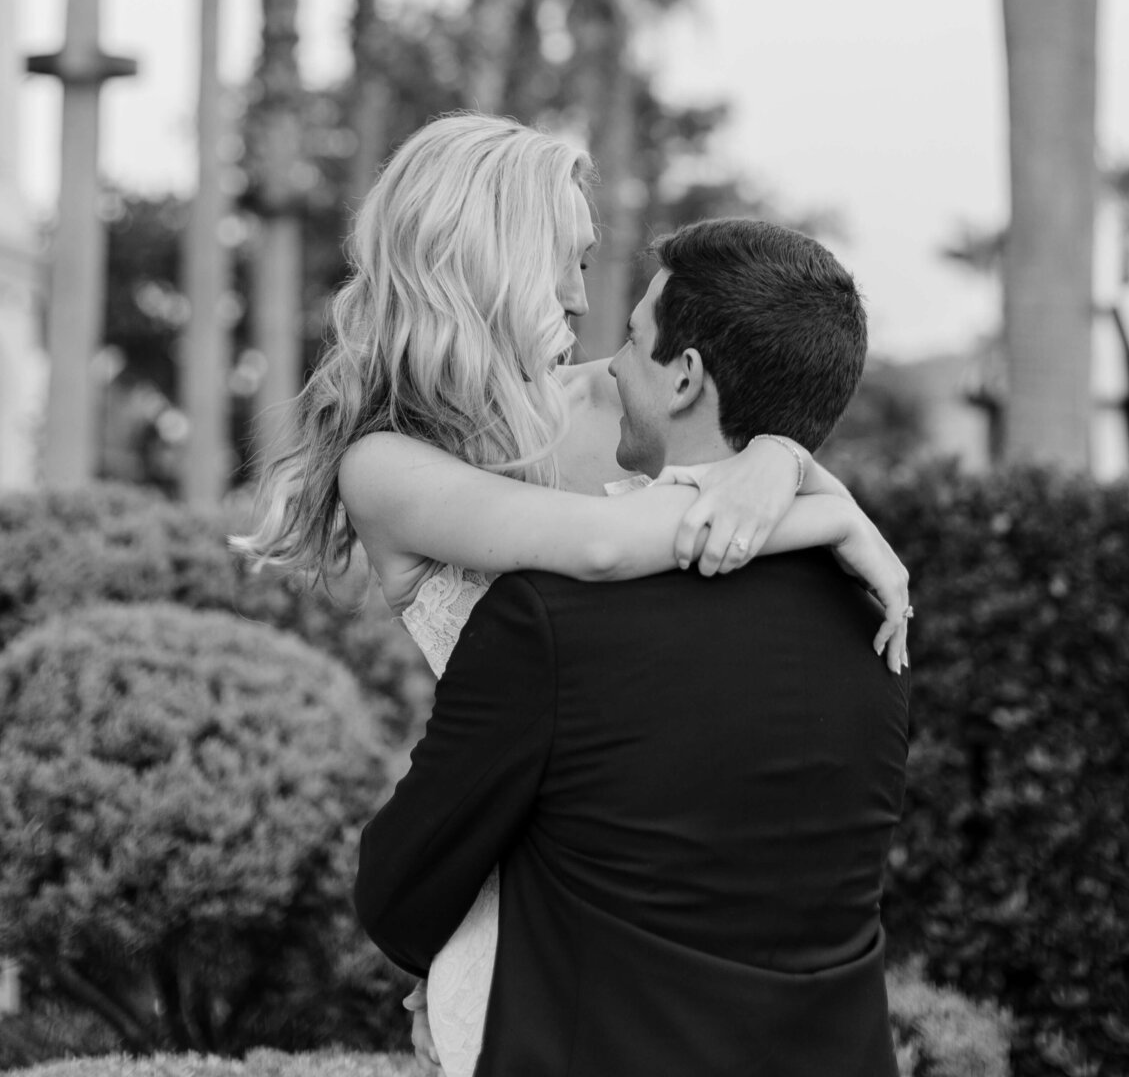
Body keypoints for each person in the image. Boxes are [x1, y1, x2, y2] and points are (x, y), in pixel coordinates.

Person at [236, 113, 910, 1075]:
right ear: (488, 257)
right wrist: (831, 516)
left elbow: (718, 408)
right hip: (517, 865)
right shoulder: (387, 467)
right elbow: (600, 547)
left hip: (649, 852)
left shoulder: (604, 399)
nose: (579, 294)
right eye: (566, 258)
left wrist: (781, 455)